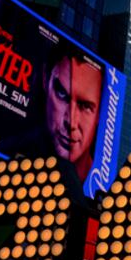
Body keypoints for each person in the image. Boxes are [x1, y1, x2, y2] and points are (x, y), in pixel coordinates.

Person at [40, 42, 103, 183]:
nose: (71, 122)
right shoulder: (11, 150)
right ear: (45, 80)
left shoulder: (99, 186)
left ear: (99, 114)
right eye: (62, 94)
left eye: (85, 106)